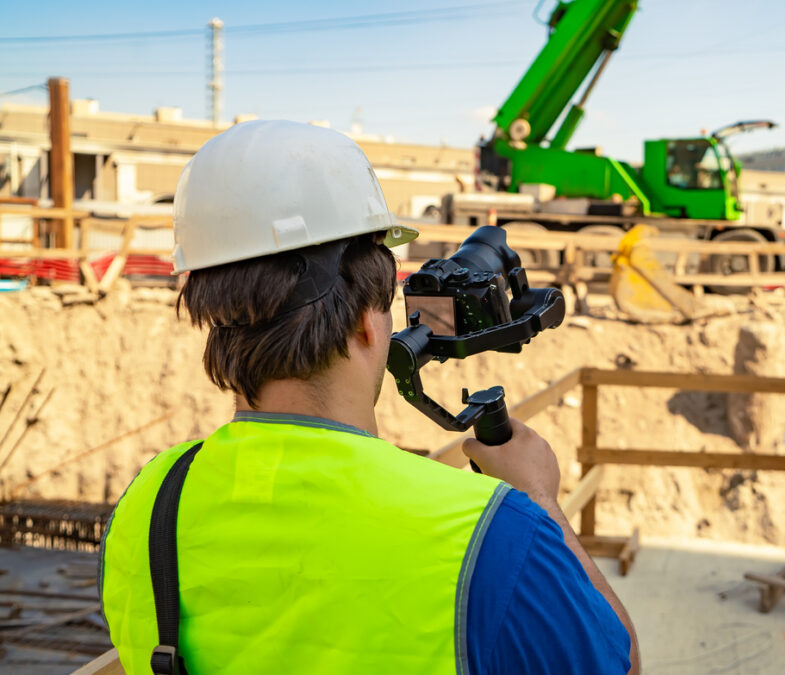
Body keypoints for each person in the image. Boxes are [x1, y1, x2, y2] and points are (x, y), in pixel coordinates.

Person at [99, 120, 639, 674]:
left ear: (216, 317)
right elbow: (621, 664)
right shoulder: (492, 536)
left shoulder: (146, 507)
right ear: (365, 323)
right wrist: (542, 502)